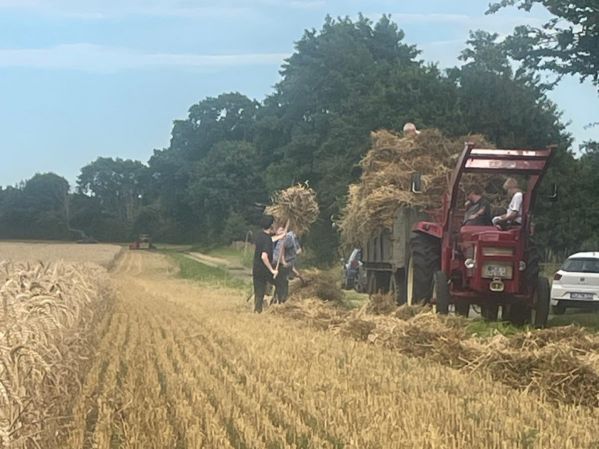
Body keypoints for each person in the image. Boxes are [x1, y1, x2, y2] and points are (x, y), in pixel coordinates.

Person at [252, 215, 278, 313]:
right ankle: (261, 310)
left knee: (258, 292)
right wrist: (272, 270)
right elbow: (264, 256)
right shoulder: (267, 239)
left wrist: (281, 235)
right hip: (263, 270)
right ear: (271, 226)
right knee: (278, 284)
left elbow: (271, 239)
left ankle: (257, 310)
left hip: (256, 268)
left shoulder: (260, 235)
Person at [272, 226, 301, 303]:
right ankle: (280, 301)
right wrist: (283, 261)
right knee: (283, 282)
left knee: (282, 282)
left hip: (287, 264)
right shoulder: (289, 237)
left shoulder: (293, 238)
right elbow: (282, 247)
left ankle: (279, 300)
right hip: (282, 264)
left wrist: (294, 270)